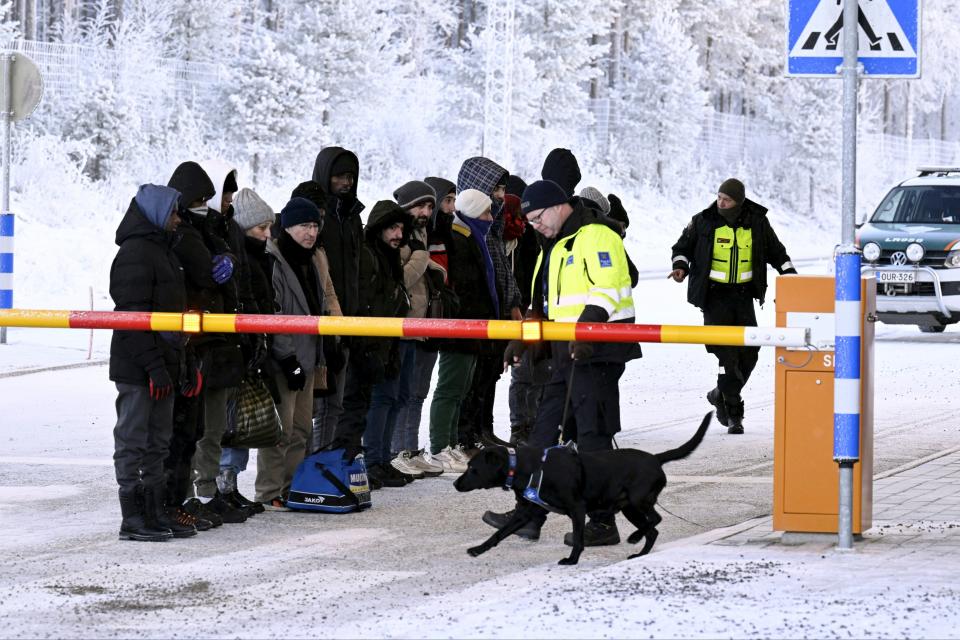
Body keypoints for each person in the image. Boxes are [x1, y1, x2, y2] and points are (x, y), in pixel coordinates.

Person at [491, 178, 641, 546]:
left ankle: (603, 522)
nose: (536, 226)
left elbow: (610, 289)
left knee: (592, 437)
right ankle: (529, 514)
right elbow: (542, 306)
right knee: (543, 434)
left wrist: (586, 332)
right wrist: (522, 341)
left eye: (539, 218)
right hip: (565, 353)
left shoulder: (599, 235)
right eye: (531, 222)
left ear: (560, 206)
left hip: (597, 352)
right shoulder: (551, 246)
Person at [669, 178, 797, 434]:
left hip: (743, 297)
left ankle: (720, 393)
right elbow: (681, 248)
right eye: (719, 197)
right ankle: (734, 413)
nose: (720, 203)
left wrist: (791, 276)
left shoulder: (757, 222)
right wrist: (680, 267)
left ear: (738, 202)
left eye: (726, 200)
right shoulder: (703, 221)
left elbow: (777, 253)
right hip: (714, 298)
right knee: (727, 355)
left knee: (750, 352)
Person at [109, 184, 196, 541]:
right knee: (133, 439)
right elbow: (130, 317)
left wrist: (182, 364)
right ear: (159, 213)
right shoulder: (135, 253)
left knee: (159, 440)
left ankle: (154, 510)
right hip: (138, 368)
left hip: (163, 365)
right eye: (175, 213)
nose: (178, 220)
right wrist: (154, 367)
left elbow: (175, 319)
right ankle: (132, 517)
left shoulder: (164, 251)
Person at [165, 161, 247, 527]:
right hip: (195, 343)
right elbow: (202, 274)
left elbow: (228, 269)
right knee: (194, 429)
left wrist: (227, 257)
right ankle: (191, 495)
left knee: (212, 427)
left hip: (218, 342)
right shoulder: (181, 234)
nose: (223, 202)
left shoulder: (213, 228)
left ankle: (206, 493)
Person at [331, 200, 411, 489]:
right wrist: (366, 346)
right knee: (360, 406)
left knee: (378, 403)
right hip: (366, 344)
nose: (398, 234)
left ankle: (371, 462)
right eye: (392, 227)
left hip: (384, 343)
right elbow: (365, 302)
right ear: (378, 228)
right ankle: (360, 463)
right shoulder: (369, 256)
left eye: (401, 228)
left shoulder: (388, 257)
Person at [255, 197, 329, 509]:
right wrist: (287, 358)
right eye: (304, 226)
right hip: (285, 360)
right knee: (280, 431)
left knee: (301, 429)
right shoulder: (275, 260)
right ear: (287, 227)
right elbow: (276, 315)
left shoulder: (310, 260)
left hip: (309, 356)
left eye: (314, 226)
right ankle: (269, 490)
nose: (311, 232)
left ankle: (290, 486)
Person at [425, 189, 499, 472]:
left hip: (474, 326)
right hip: (460, 325)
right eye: (485, 213)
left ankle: (452, 443)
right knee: (450, 387)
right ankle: (440, 445)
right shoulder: (460, 239)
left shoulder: (474, 238)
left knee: (462, 388)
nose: (490, 219)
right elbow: (464, 285)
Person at [217, 187, 277, 514]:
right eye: (260, 229)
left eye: (269, 228)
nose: (267, 235)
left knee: (240, 424)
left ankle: (231, 483)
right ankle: (222, 486)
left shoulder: (259, 259)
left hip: (250, 349)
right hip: (234, 350)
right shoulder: (239, 261)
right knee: (229, 423)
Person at [456, 157, 522, 450]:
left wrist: (512, 302)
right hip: (478, 316)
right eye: (495, 189)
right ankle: (469, 433)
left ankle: (484, 428)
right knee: (472, 379)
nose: (499, 196)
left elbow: (503, 273)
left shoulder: (493, 229)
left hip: (497, 313)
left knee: (490, 374)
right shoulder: (471, 231)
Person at [385, 180, 446, 479]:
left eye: (430, 206)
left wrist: (433, 267)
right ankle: (397, 450)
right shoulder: (398, 235)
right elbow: (400, 278)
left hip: (420, 323)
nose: (425, 212)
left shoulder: (421, 234)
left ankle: (408, 448)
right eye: (420, 205)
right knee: (401, 392)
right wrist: (425, 260)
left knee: (416, 391)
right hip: (402, 324)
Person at [310, 147, 364, 438]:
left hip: (347, 320)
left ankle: (323, 464)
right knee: (314, 406)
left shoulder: (353, 217)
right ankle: (305, 468)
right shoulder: (313, 217)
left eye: (351, 178)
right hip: (319, 321)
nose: (346, 183)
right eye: (340, 177)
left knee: (336, 403)